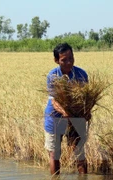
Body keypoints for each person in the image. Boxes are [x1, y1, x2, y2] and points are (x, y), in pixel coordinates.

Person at [44, 43, 90, 175]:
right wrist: (65, 113)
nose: (69, 62)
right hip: (55, 118)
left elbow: (85, 99)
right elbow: (54, 101)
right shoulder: (53, 76)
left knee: (79, 153)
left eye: (71, 58)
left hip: (76, 117)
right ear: (56, 60)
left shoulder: (81, 75)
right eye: (64, 60)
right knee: (55, 154)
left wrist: (87, 112)